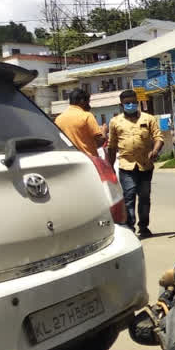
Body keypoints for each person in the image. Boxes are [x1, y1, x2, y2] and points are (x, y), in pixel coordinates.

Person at [107, 90, 164, 238]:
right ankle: (130, 228)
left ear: (137, 103)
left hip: (145, 165)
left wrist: (155, 150)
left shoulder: (149, 119)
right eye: (127, 103)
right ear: (122, 105)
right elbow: (112, 147)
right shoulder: (115, 122)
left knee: (144, 197)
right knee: (129, 196)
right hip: (126, 165)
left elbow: (159, 137)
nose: (131, 105)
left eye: (133, 102)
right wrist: (109, 168)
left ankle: (144, 227)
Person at [54, 88, 105, 157]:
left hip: (70, 161)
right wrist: (104, 131)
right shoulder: (87, 116)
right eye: (88, 102)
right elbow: (100, 141)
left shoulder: (58, 119)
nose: (89, 106)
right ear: (82, 101)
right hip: (88, 160)